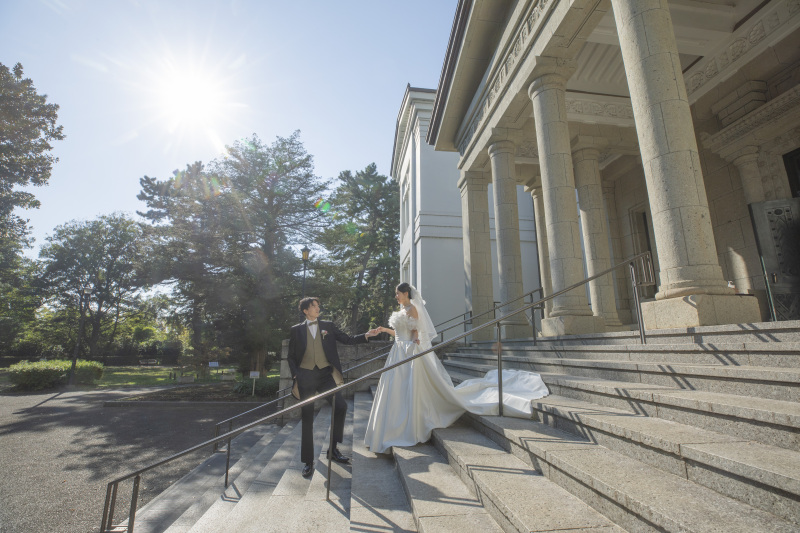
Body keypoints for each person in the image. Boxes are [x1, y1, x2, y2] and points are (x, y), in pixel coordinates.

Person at [364, 283, 549, 454]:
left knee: (409, 386)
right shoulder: (402, 309)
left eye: (397, 293)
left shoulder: (412, 309)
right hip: (397, 350)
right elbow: (398, 333)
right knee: (395, 388)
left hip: (407, 350)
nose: (395, 296)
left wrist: (414, 342)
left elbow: (414, 331)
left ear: (405, 293)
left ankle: (408, 424)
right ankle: (392, 425)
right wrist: (383, 330)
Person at [287, 297, 379, 477]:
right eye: (314, 306)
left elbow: (347, 339)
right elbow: (291, 356)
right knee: (307, 418)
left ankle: (333, 449)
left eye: (318, 305)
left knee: (341, 406)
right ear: (305, 310)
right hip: (305, 377)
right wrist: (296, 374)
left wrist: (366, 335)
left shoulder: (327, 325)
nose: (317, 308)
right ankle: (307, 461)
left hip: (324, 375)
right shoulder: (296, 330)